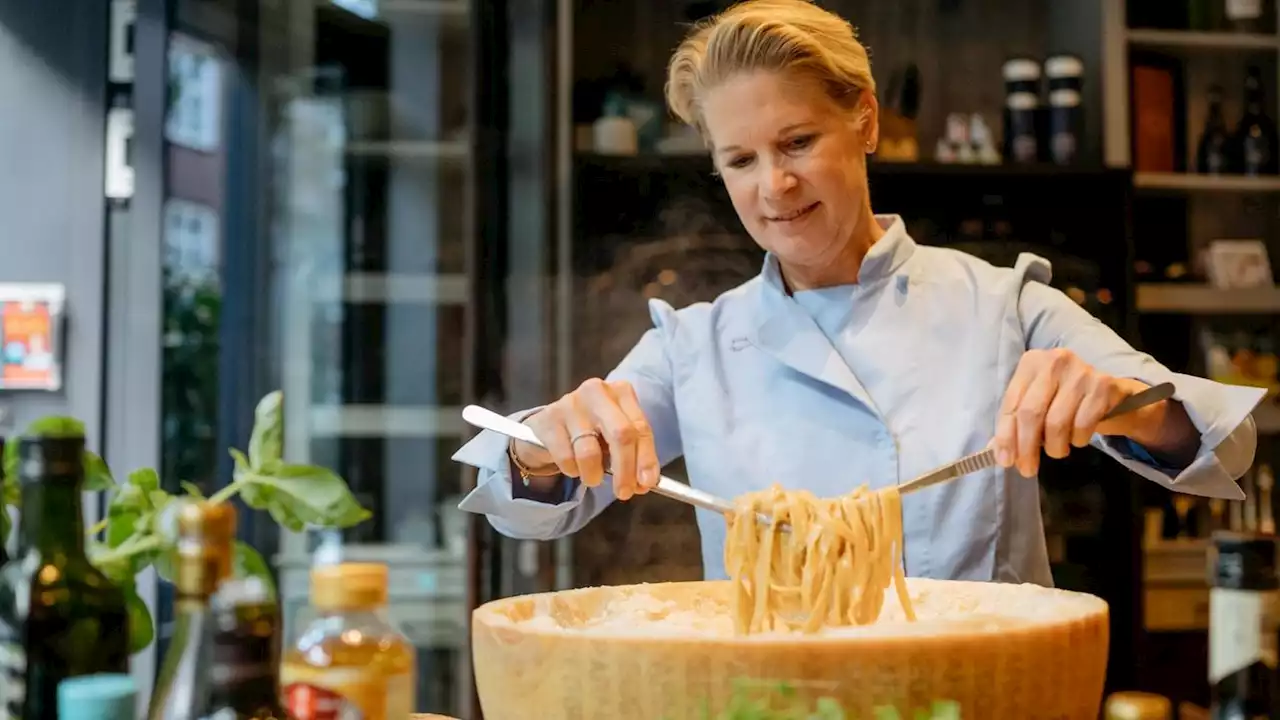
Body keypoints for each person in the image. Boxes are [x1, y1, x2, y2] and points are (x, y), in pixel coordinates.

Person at [453, 0, 1264, 587]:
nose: (775, 185)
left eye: (798, 141)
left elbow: (1222, 446)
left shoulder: (1004, 305)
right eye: (740, 160)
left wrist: (1128, 403)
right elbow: (528, 499)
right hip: (764, 702)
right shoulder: (693, 344)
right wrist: (541, 443)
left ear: (866, 122)